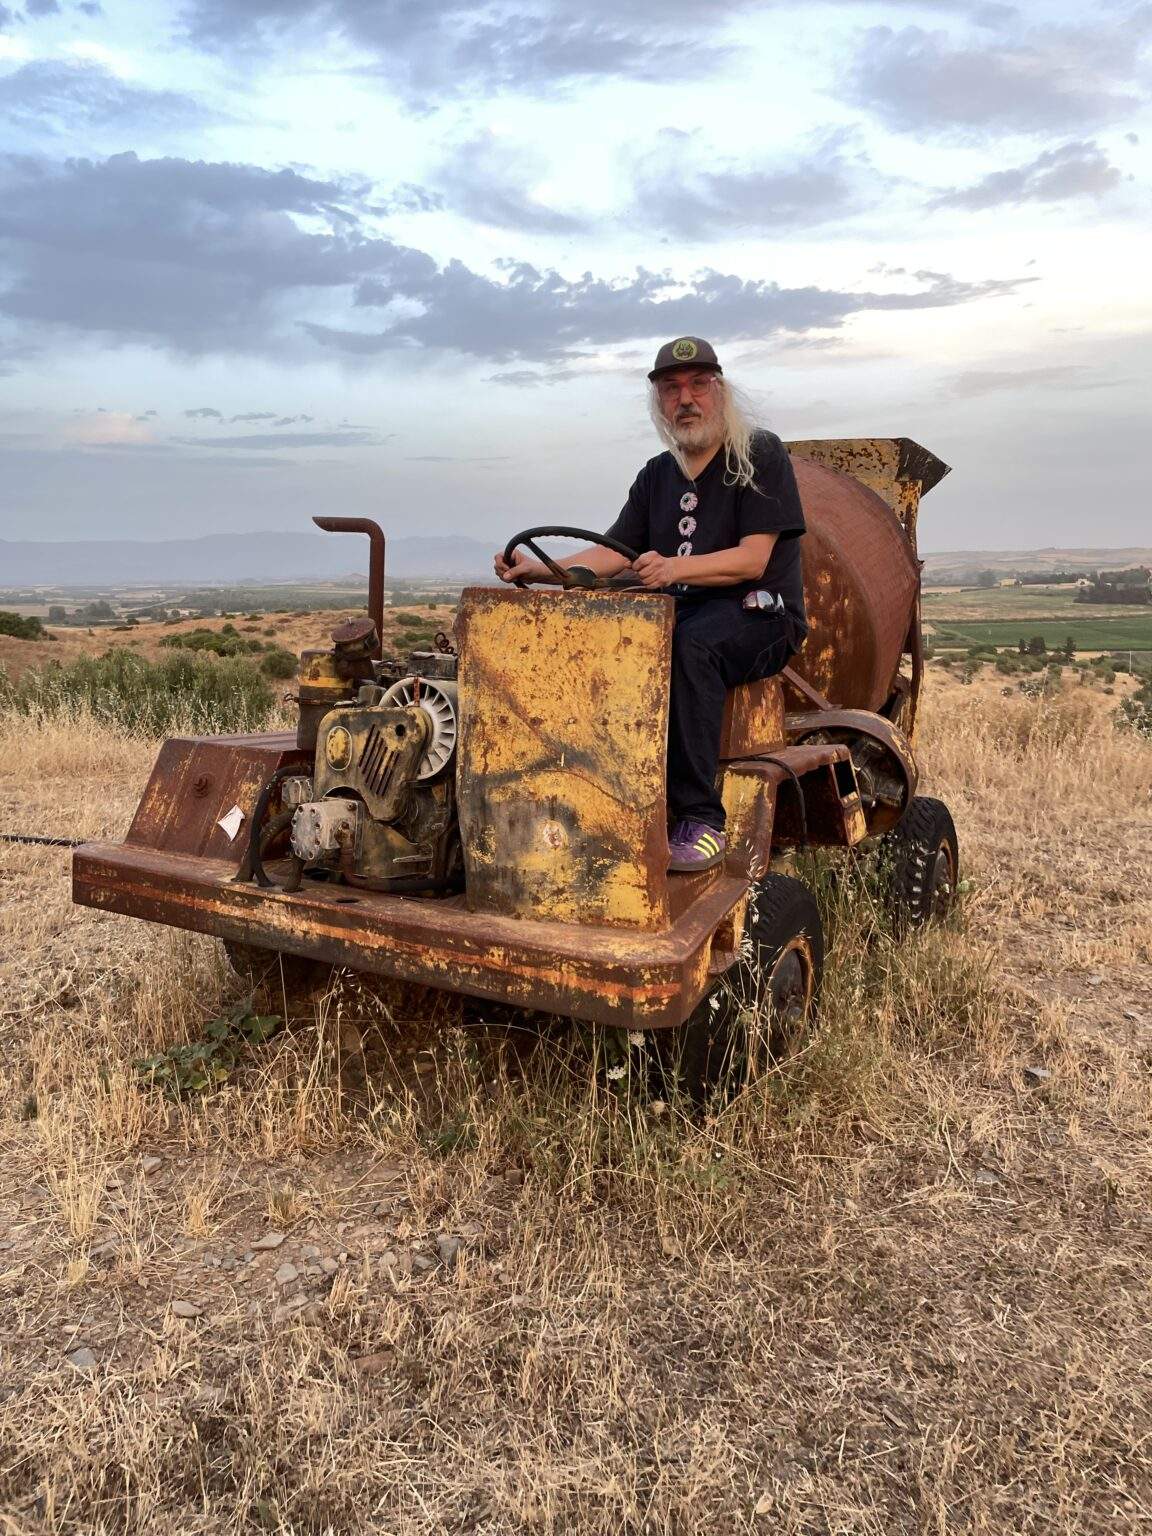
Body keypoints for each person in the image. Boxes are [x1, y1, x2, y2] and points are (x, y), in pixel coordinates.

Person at [494, 336, 807, 872]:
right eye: (671, 388)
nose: (686, 399)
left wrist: (673, 569)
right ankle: (593, 799)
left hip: (761, 617)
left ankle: (700, 819)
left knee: (690, 646)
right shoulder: (656, 474)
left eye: (698, 385)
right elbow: (615, 551)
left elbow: (753, 559)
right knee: (601, 643)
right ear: (659, 402)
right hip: (683, 614)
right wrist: (542, 570)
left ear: (720, 391)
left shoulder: (758, 455)